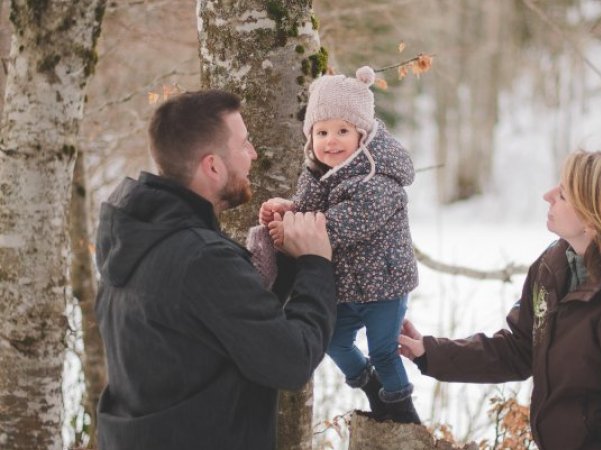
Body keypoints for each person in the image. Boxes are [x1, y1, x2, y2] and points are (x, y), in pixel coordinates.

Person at [94, 89, 337, 450]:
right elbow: (291, 360)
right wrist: (316, 264)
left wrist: (286, 256)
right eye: (244, 144)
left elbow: (231, 325)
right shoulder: (200, 259)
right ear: (212, 166)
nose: (253, 154)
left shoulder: (137, 238)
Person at [399, 150, 601, 449]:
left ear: (595, 219)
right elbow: (519, 349)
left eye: (562, 194)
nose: (547, 195)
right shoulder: (554, 265)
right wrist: (429, 351)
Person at [251, 66, 420, 424]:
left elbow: (341, 225)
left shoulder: (378, 181)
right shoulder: (319, 172)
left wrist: (292, 231)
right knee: (334, 342)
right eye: (322, 132)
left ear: (363, 134)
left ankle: (403, 413)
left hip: (384, 286)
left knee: (384, 351)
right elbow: (310, 208)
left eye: (342, 131)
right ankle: (373, 388)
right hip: (347, 287)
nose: (331, 141)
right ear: (310, 136)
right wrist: (288, 210)